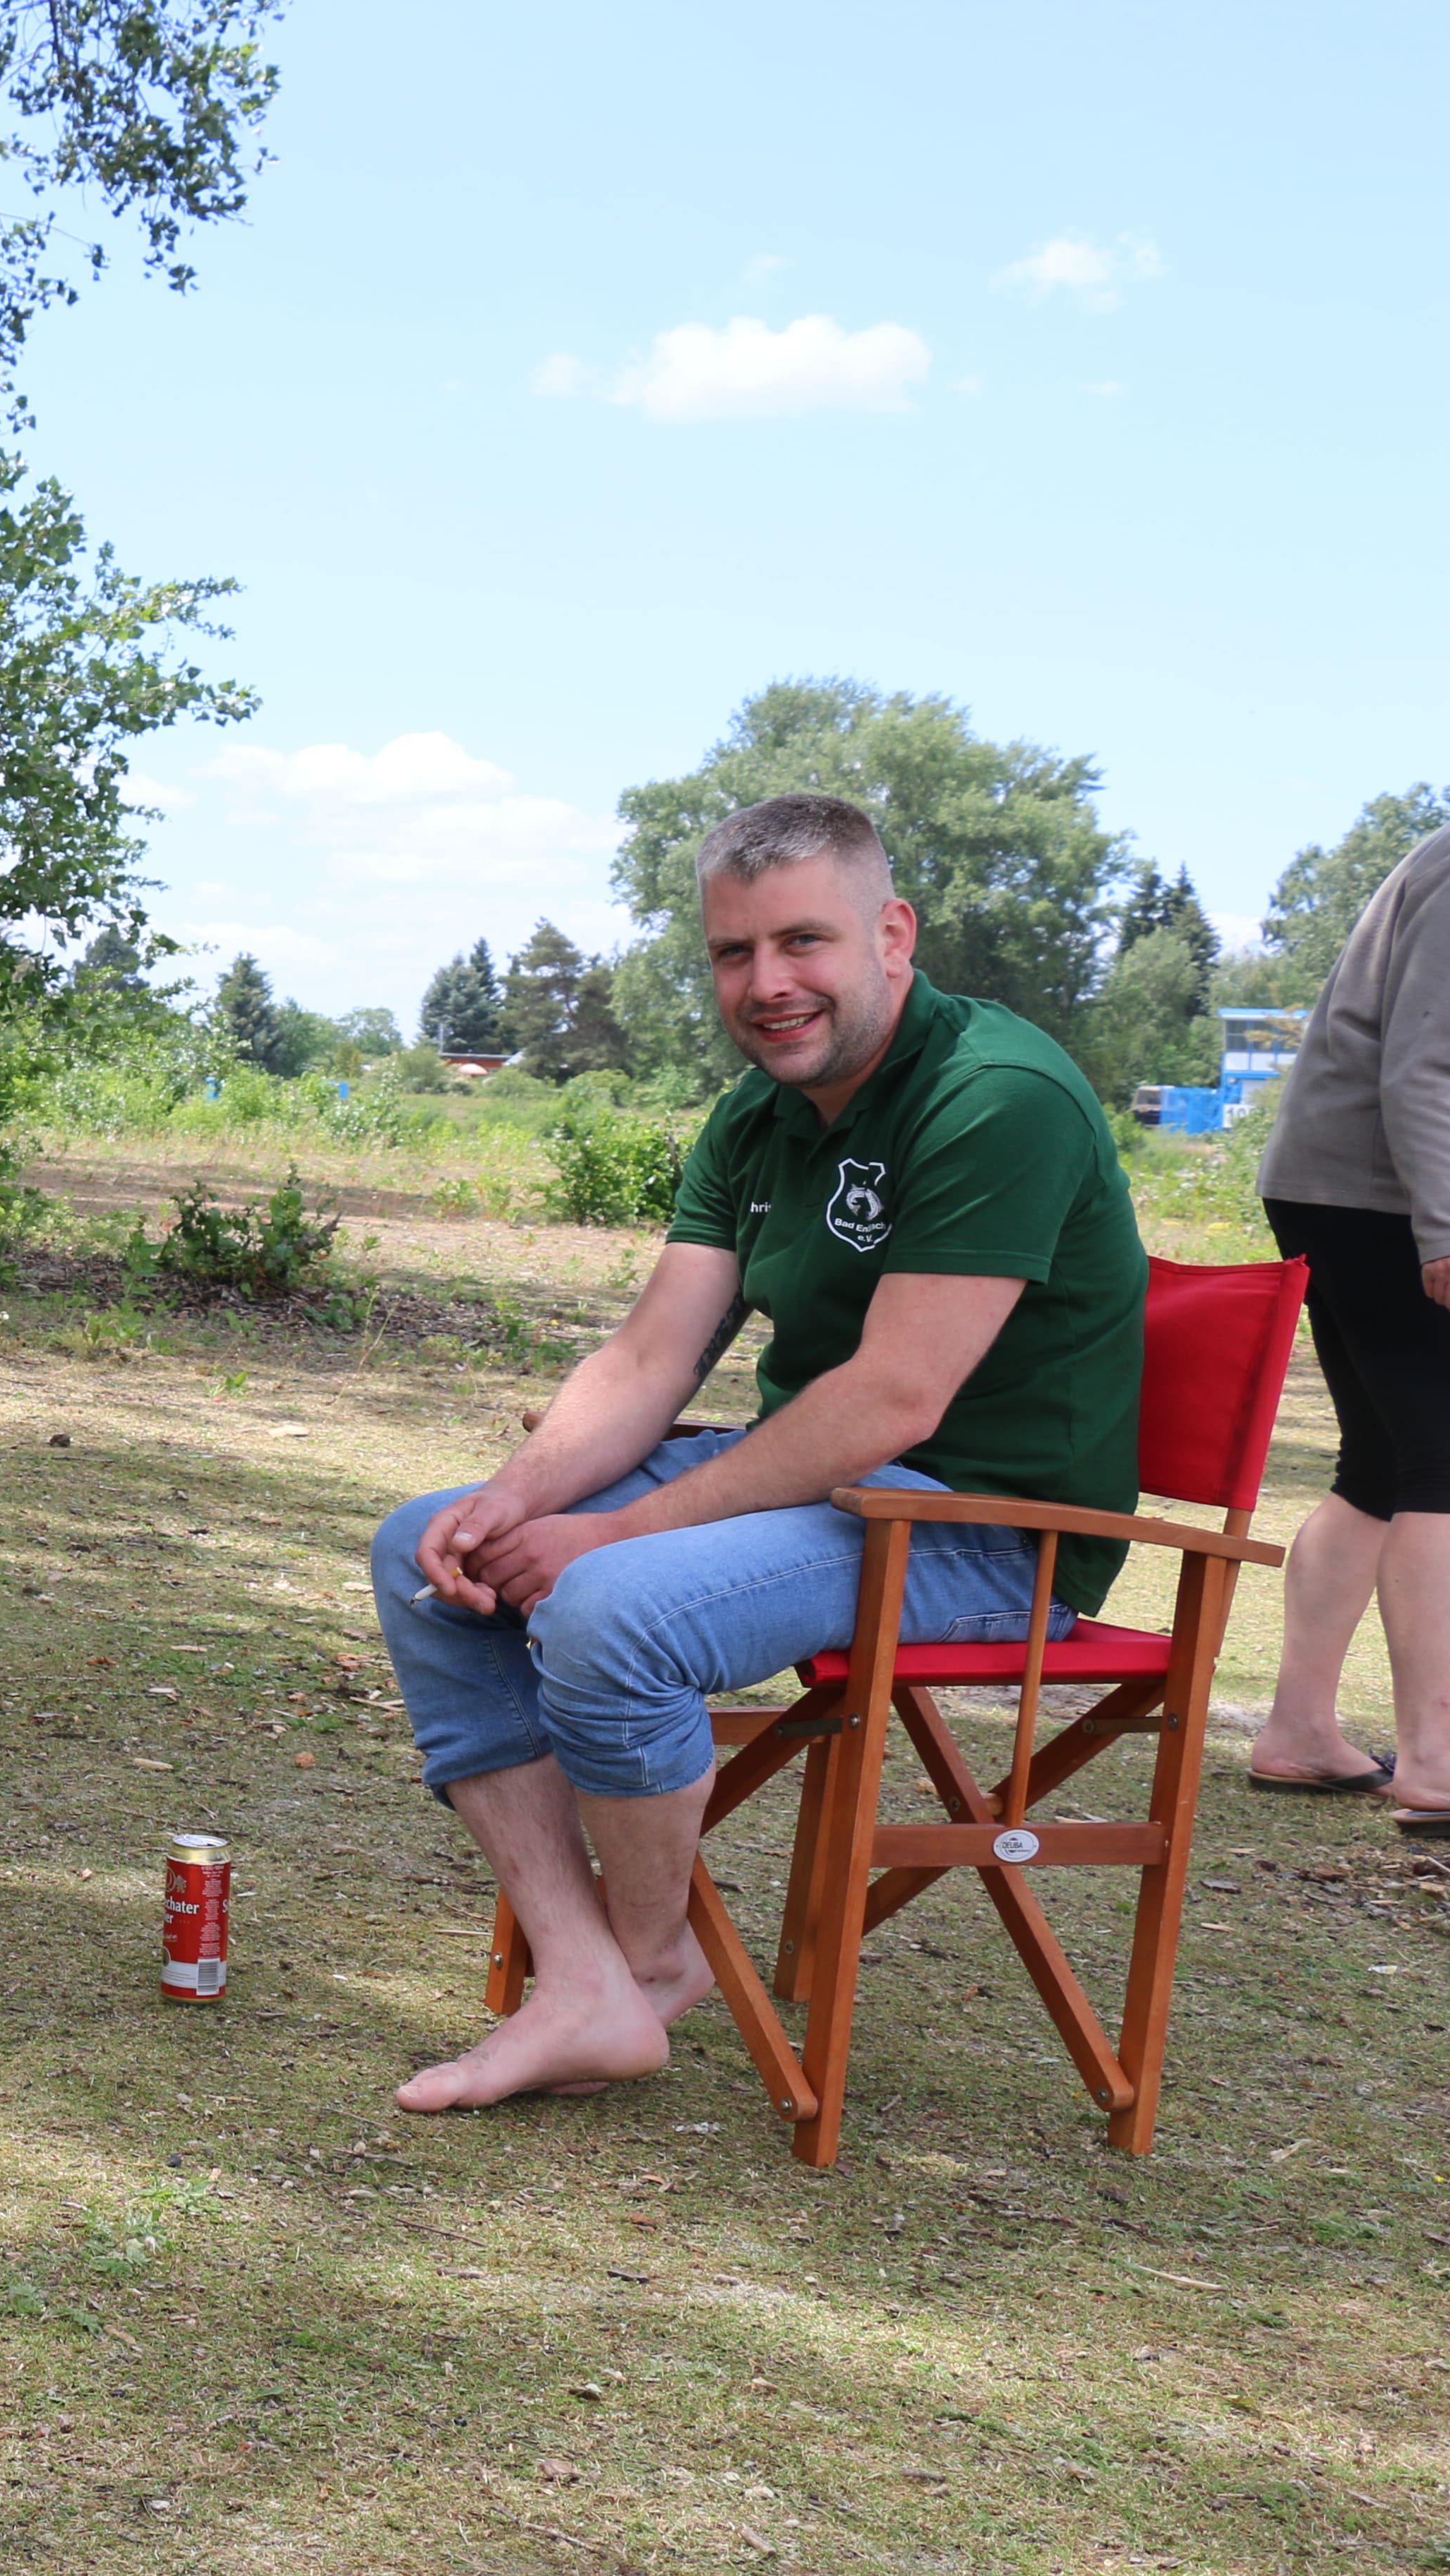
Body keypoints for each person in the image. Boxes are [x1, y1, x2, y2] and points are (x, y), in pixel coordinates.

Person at [368, 792, 1144, 2112]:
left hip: (992, 1529)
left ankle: (645, 1963)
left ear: (892, 934)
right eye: (735, 952)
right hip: (826, 1490)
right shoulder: (756, 1116)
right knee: (427, 1554)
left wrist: (609, 1534)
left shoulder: (996, 1096)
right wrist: (512, 1501)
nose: (767, 983)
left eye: (803, 942)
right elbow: (649, 1360)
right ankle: (587, 1981)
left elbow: (894, 1398)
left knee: (609, 1609)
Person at [1246, 820, 1450, 1824]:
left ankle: (1298, 1731)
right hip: (1377, 1199)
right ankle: (1438, 1764)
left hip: (1357, 1192)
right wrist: (1445, 1228)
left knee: (1379, 1466)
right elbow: (1425, 1067)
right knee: (1441, 1464)